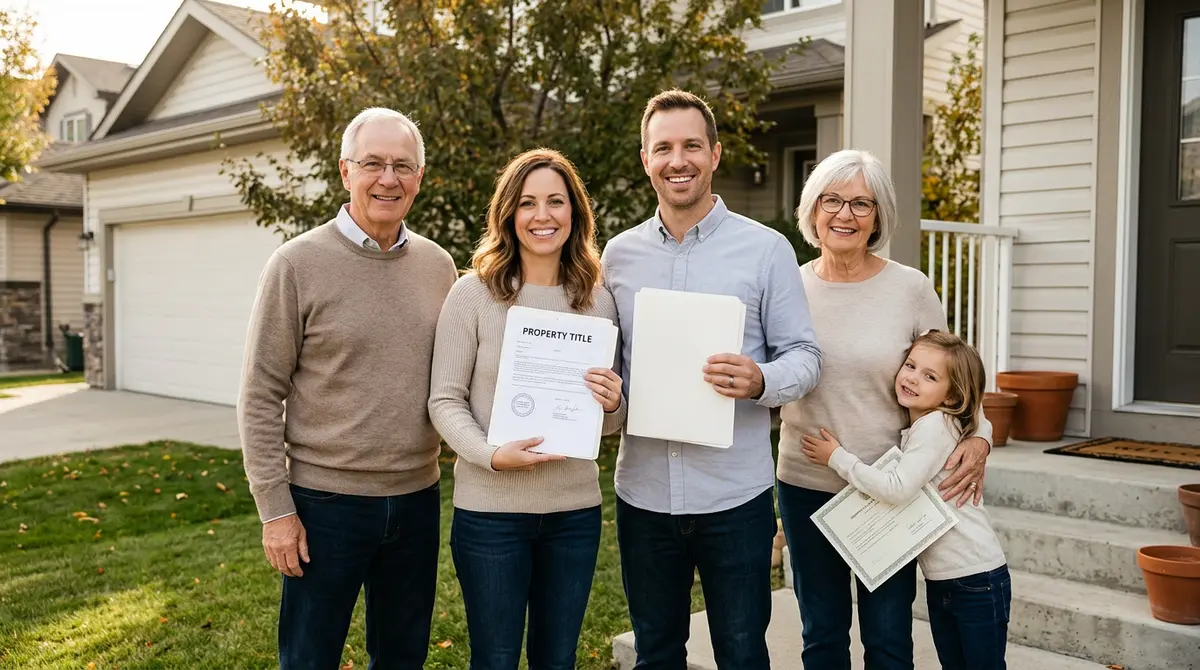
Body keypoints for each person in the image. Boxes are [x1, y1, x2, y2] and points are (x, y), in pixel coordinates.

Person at [602, 89, 823, 669]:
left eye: (692, 146)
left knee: (743, 654)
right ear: (645, 158)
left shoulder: (766, 250)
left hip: (734, 497)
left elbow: (805, 356)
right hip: (643, 493)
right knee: (656, 654)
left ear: (716, 154)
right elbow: (612, 365)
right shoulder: (617, 256)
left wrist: (759, 380)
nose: (679, 160)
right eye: (664, 147)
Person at [238, 107, 457, 669]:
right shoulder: (296, 264)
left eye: (403, 166)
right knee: (310, 658)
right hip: (323, 505)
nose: (388, 178)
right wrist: (275, 510)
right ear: (345, 171)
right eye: (373, 164)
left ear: (419, 178)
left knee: (403, 655)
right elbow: (261, 393)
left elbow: (460, 375)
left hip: (417, 498)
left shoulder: (438, 267)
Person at [775, 148, 993, 670]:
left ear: (878, 217)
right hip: (807, 483)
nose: (844, 215)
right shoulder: (788, 286)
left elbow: (955, 373)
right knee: (822, 634)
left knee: (890, 637)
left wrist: (979, 435)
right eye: (832, 200)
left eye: (861, 204)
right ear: (812, 209)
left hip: (891, 491)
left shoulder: (909, 288)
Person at [428, 148, 626, 670]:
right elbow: (444, 400)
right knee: (494, 659)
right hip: (491, 516)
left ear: (574, 214)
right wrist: (491, 455)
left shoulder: (597, 302)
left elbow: (606, 424)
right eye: (528, 203)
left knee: (557, 660)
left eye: (556, 202)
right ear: (509, 214)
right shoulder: (473, 294)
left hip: (573, 514)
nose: (543, 216)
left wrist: (614, 402)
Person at [801, 330, 1010, 670]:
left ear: (954, 394)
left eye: (930, 376)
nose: (912, 378)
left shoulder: (936, 427)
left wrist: (838, 457)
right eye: (910, 366)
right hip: (950, 578)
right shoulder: (926, 426)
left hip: (975, 578)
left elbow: (897, 488)